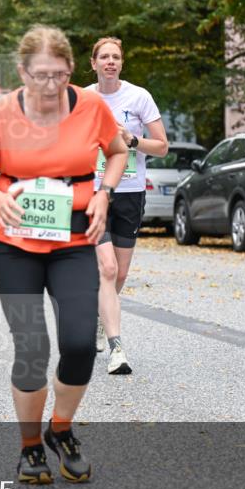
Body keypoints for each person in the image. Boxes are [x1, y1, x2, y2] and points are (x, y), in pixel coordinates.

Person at [0, 25, 128, 484]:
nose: (49, 86)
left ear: (72, 70)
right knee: (32, 348)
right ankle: (30, 446)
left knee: (78, 344)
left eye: (58, 75)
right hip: (12, 243)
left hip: (74, 240)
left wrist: (104, 193)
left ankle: (61, 428)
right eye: (39, 76)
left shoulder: (90, 107)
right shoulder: (1, 112)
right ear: (22, 72)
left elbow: (117, 152)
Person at [86, 37, 168, 375]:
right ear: (93, 63)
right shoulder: (83, 99)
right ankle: (117, 349)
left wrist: (132, 140)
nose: (109, 62)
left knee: (118, 274)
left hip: (131, 191)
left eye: (115, 57)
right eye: (103, 56)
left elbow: (162, 146)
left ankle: (100, 317)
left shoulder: (139, 97)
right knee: (106, 268)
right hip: (94, 192)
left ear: (122, 63)